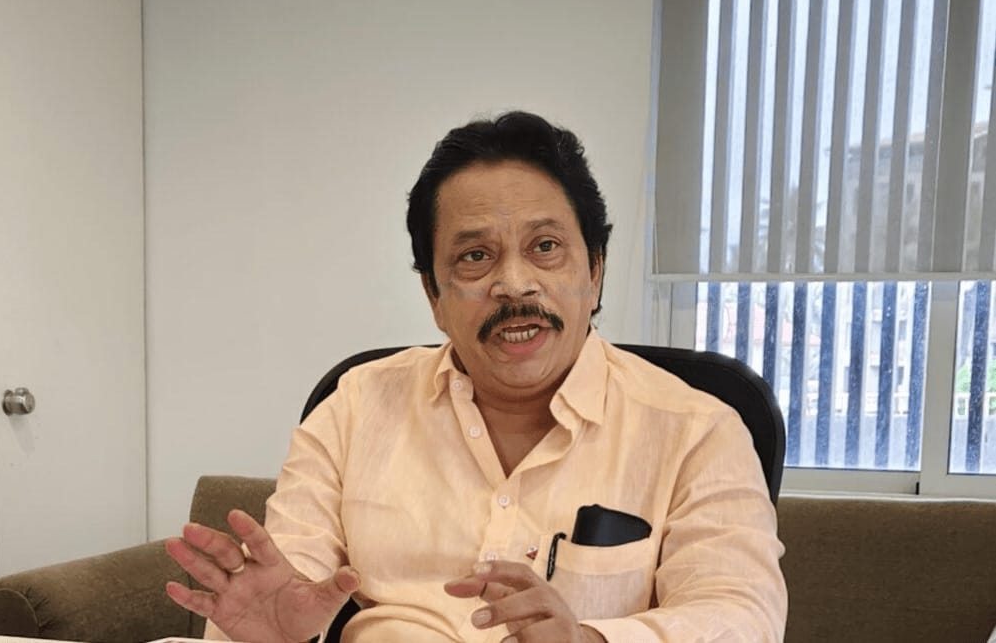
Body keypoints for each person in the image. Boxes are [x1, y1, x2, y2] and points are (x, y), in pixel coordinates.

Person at [165, 111, 788, 642]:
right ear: (434, 296)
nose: (514, 284)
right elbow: (289, 584)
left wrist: (591, 639)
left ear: (595, 270)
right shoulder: (355, 406)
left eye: (545, 247)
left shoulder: (697, 430)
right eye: (475, 256)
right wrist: (275, 635)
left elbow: (742, 613)